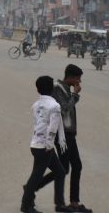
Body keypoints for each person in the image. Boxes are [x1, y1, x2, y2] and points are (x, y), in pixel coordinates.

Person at [37, 65, 92, 213]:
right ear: (71, 77)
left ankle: (70, 202)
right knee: (67, 168)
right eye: (78, 78)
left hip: (68, 134)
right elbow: (64, 108)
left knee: (66, 168)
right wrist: (75, 95)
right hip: (62, 135)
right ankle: (61, 201)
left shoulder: (64, 88)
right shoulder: (57, 88)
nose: (79, 81)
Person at [21, 75, 68, 213]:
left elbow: (39, 124)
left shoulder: (35, 105)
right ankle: (25, 205)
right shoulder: (54, 106)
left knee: (60, 172)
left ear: (37, 89)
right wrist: (48, 146)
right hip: (44, 147)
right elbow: (52, 128)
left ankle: (59, 204)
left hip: (36, 144)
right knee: (35, 177)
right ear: (53, 89)